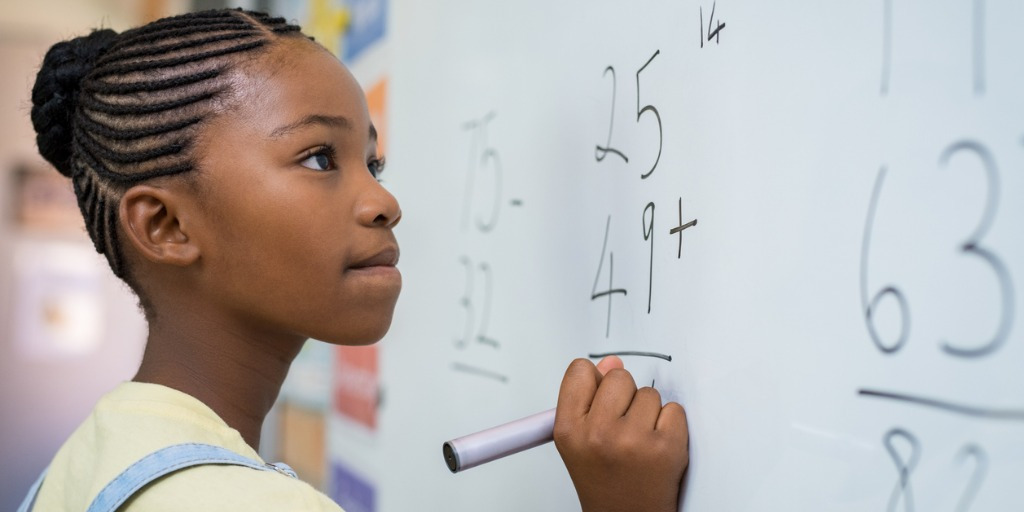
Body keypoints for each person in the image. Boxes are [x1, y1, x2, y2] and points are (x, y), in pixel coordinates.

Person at [22, 8, 689, 512]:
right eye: (319, 158)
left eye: (373, 162)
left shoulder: (95, 458)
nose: (383, 201)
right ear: (165, 225)